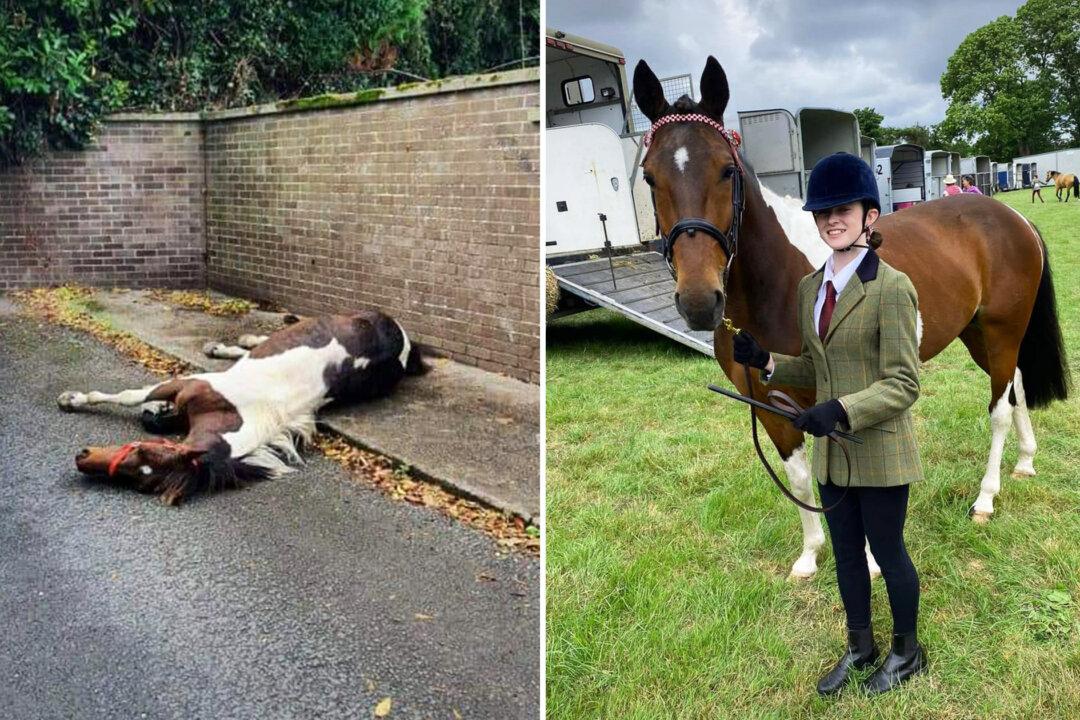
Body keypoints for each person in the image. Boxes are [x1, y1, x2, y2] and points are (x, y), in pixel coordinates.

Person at [732, 152, 926, 696]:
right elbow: (816, 368)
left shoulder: (893, 287)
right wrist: (768, 361)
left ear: (870, 215)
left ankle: (907, 651)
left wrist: (839, 410)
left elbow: (904, 384)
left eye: (844, 209)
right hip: (832, 455)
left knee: (888, 552)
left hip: (880, 448)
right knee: (844, 555)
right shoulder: (808, 289)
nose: (832, 219)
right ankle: (860, 646)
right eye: (822, 212)